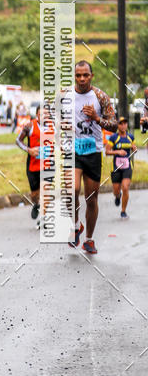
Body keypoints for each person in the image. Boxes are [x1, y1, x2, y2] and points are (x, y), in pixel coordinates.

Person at [68, 61, 117, 254]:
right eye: (78, 75)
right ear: (74, 76)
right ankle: (75, 226)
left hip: (93, 152)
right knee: (71, 190)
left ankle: (88, 239)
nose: (81, 79)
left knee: (91, 199)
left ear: (91, 75)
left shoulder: (100, 96)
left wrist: (97, 119)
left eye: (85, 75)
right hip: (73, 150)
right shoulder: (65, 96)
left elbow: (113, 124)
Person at [16, 105, 54, 227]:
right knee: (35, 194)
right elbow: (18, 141)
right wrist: (29, 150)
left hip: (48, 164)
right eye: (41, 114)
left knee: (46, 190)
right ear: (37, 115)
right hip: (33, 165)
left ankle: (43, 218)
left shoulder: (54, 127)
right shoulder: (29, 126)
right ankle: (36, 204)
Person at [105, 117, 136, 218]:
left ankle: (123, 211)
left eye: (125, 123)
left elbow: (134, 149)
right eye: (121, 124)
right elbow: (107, 151)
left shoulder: (130, 137)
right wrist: (118, 151)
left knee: (125, 187)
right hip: (116, 167)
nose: (123, 126)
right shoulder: (114, 137)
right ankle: (118, 196)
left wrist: (134, 149)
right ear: (118, 126)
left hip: (127, 166)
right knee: (116, 190)